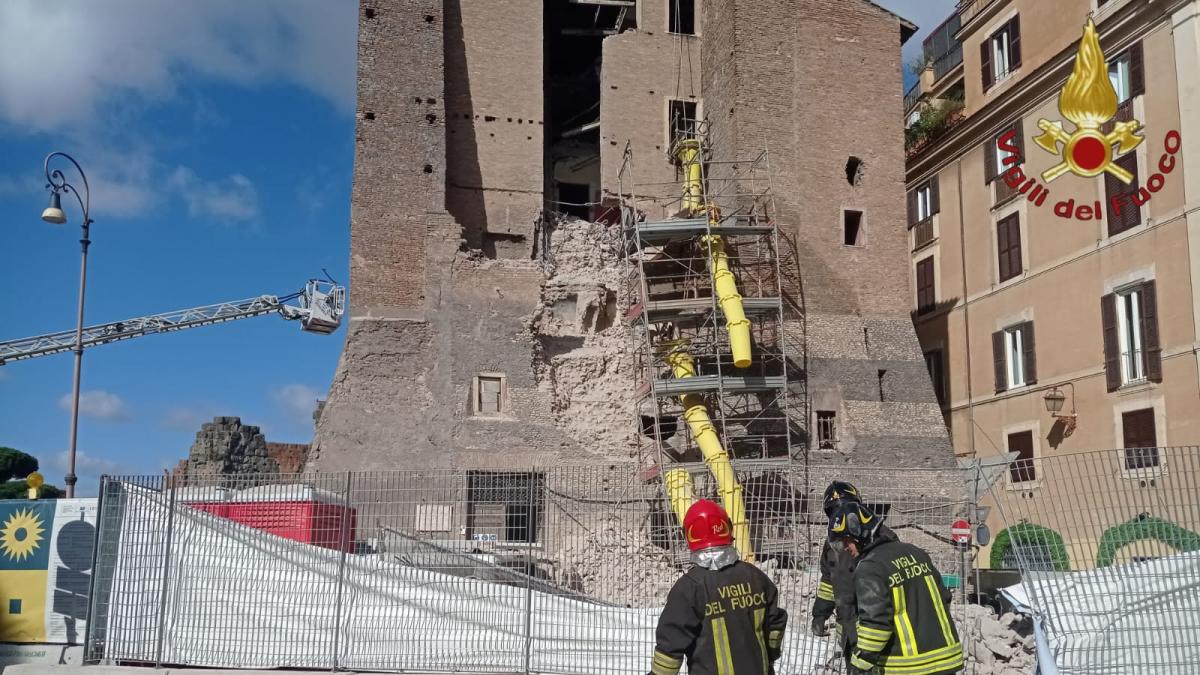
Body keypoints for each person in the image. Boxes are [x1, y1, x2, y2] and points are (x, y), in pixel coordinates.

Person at [650, 499, 789, 675]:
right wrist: (769, 657)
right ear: (727, 529)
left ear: (690, 536)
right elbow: (775, 624)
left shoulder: (690, 588)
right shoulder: (755, 577)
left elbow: (670, 647)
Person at [828, 501, 963, 675]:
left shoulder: (870, 567)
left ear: (858, 533)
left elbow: (876, 627)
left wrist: (857, 665)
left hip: (909, 666)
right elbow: (944, 598)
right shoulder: (916, 552)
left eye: (845, 541)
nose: (845, 548)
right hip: (947, 660)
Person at [812, 480, 888, 670]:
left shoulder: (881, 538)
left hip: (875, 633)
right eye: (834, 511)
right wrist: (820, 614)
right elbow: (829, 581)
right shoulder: (831, 547)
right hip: (847, 631)